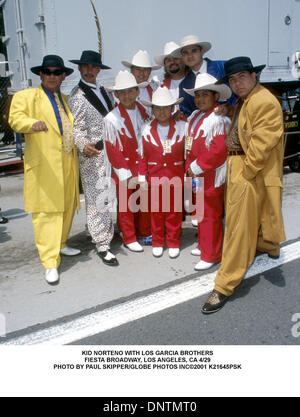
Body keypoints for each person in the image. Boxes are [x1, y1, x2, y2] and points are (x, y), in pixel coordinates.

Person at [201, 56, 286, 314]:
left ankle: (224, 285)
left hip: (247, 168)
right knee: (259, 215)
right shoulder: (248, 99)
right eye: (233, 79)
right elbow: (247, 123)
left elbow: (260, 146)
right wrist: (229, 110)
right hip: (243, 166)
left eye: (242, 77)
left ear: (253, 76)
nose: (237, 84)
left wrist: (245, 173)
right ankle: (268, 247)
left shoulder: (263, 101)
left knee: (237, 228)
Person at [9, 55, 81, 285]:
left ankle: (61, 244)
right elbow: (15, 118)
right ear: (41, 75)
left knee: (67, 207)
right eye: (47, 72)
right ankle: (50, 262)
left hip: (68, 163)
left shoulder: (66, 99)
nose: (51, 76)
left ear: (62, 76)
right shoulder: (27, 97)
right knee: (47, 213)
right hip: (45, 167)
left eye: (56, 73)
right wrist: (31, 124)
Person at [68, 50, 118, 266]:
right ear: (80, 69)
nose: (89, 70)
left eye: (93, 67)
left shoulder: (107, 92)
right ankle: (102, 244)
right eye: (85, 67)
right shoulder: (77, 96)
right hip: (93, 153)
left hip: (110, 152)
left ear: (98, 70)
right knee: (97, 198)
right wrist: (83, 145)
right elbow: (76, 128)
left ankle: (95, 230)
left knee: (106, 195)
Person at [184, 73, 231, 270]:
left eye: (205, 94)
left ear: (216, 97)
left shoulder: (218, 119)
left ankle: (212, 255)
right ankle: (204, 245)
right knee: (201, 212)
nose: (200, 99)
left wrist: (196, 166)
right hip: (197, 175)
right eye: (197, 95)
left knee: (211, 215)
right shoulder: (195, 116)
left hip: (210, 175)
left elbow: (219, 151)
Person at [104, 70, 152, 252]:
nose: (126, 96)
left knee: (143, 200)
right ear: (116, 95)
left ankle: (144, 232)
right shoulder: (111, 119)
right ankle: (128, 236)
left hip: (142, 165)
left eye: (130, 91)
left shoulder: (145, 111)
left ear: (137, 92)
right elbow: (112, 148)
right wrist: (123, 172)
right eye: (121, 92)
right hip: (124, 167)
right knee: (126, 204)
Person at [139, 87, 186, 258]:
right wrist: (142, 176)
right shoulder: (146, 129)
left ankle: (173, 242)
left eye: (166, 108)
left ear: (172, 109)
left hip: (175, 176)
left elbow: (188, 152)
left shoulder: (182, 126)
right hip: (155, 177)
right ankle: (158, 241)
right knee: (156, 212)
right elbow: (142, 156)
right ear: (152, 110)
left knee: (174, 211)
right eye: (157, 108)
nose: (161, 112)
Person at [172, 34, 233, 117]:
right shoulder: (184, 85)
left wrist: (230, 108)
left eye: (194, 51)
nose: (190, 56)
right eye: (185, 53)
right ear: (182, 56)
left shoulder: (223, 67)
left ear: (202, 51)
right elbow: (187, 113)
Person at [122, 50, 161, 117]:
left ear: (150, 71)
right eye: (138, 69)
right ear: (131, 70)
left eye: (145, 70)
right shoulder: (122, 90)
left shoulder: (156, 89)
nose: (141, 73)